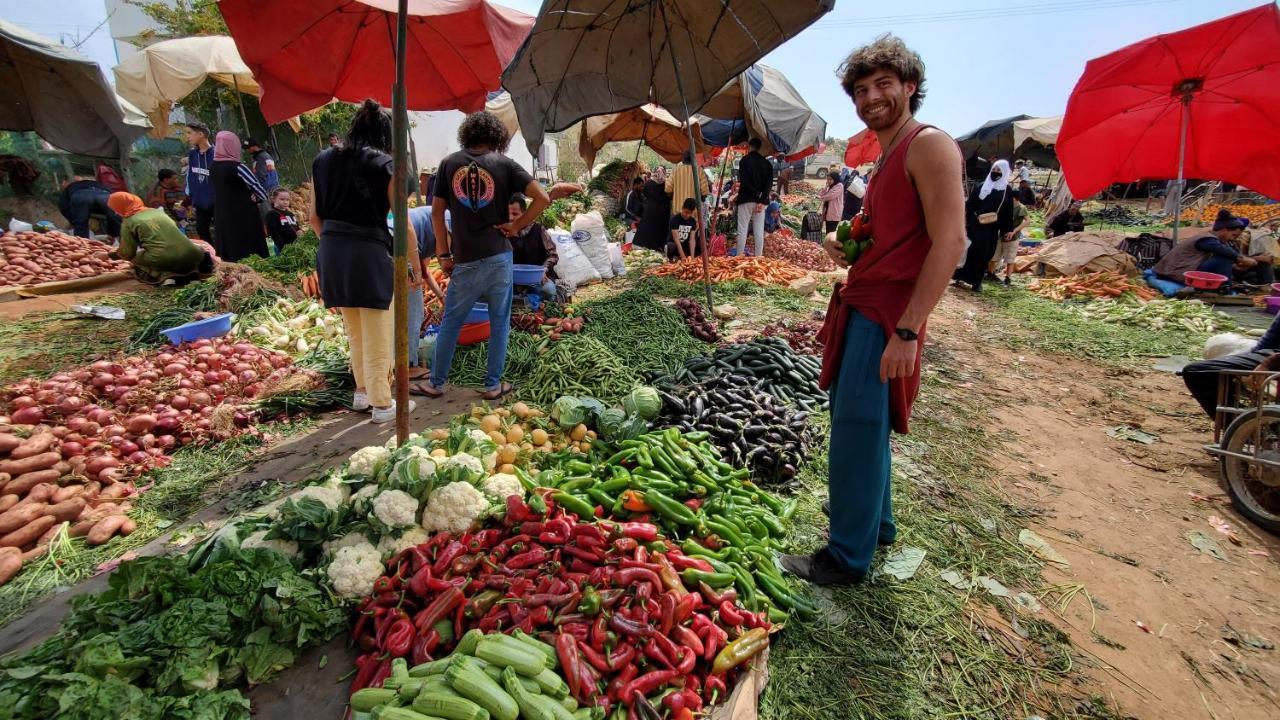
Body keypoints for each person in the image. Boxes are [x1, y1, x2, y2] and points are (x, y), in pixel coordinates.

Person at [782, 33, 965, 585]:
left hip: (888, 313)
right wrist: (845, 243)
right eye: (861, 90)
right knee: (866, 422)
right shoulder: (890, 155)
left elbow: (951, 243)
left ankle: (844, 557)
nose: (871, 98)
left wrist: (907, 331)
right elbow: (891, 233)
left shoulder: (928, 145)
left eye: (884, 84)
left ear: (910, 87)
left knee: (857, 427)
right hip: (869, 302)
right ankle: (876, 526)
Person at [417, 110, 550, 401]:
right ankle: (493, 385)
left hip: (465, 258)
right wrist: (516, 226)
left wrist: (443, 253)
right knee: (500, 320)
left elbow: (437, 213)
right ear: (496, 138)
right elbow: (543, 198)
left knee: (452, 318)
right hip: (499, 256)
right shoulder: (505, 165)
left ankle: (436, 383)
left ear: (467, 134)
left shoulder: (449, 164)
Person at [311, 99, 418, 423]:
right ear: (388, 136)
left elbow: (314, 217)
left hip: (331, 251)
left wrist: (335, 247)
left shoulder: (322, 160)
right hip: (368, 254)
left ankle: (362, 393)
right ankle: (384, 404)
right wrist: (412, 262)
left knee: (354, 327)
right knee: (378, 330)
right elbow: (403, 223)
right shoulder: (384, 165)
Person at [1182, 313, 1280, 419]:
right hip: (1273, 354)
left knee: (1195, 372)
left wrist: (1268, 363)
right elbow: (1270, 339)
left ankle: (1242, 425)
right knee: (1197, 371)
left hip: (1275, 357)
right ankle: (1243, 425)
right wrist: (1244, 360)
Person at [106, 192, 213, 285]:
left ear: (121, 206)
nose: (116, 212)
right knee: (171, 252)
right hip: (195, 254)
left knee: (136, 258)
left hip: (165, 258)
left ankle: (165, 275)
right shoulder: (157, 212)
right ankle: (191, 272)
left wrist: (109, 255)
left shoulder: (129, 221)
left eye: (115, 209)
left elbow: (127, 253)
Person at [1153, 209, 1271, 289]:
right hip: (1177, 272)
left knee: (1262, 260)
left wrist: (1250, 260)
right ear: (1224, 229)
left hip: (1193, 269)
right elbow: (1226, 252)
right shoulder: (1207, 239)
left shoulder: (1219, 240)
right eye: (1233, 235)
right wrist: (1242, 259)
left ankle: (1266, 287)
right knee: (1224, 258)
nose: (1233, 238)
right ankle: (1225, 288)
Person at [954, 160, 1013, 291]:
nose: (995, 172)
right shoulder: (982, 185)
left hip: (991, 228)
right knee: (968, 251)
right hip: (975, 226)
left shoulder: (1006, 190)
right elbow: (970, 204)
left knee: (984, 255)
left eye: (999, 171)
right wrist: (969, 219)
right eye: (994, 169)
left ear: (1004, 172)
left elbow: (1008, 211)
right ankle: (960, 277)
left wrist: (1007, 229)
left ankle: (977, 282)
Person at [209, 131, 269, 262]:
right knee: (250, 255)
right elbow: (260, 190)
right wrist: (258, 197)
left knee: (230, 251)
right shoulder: (238, 167)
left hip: (222, 216)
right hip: (244, 217)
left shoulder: (213, 168)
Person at [404, 203, 448, 380]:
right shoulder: (447, 223)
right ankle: (409, 366)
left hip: (387, 245)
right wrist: (414, 271)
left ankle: (393, 362)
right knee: (413, 312)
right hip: (398, 247)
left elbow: (425, 270)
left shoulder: (432, 221)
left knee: (397, 312)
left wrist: (441, 296)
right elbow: (444, 257)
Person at [508, 193, 560, 301]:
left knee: (548, 291)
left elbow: (553, 255)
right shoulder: (504, 232)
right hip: (511, 279)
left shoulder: (537, 229)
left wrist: (543, 270)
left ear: (525, 214)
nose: (510, 218)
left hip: (537, 278)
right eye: (507, 214)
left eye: (515, 214)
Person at [735, 137, 774, 256]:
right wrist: (761, 199)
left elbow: (744, 182)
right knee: (759, 230)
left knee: (742, 229)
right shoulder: (767, 163)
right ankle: (758, 257)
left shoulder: (744, 161)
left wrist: (756, 194)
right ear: (759, 148)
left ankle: (739, 256)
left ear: (749, 147)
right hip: (761, 203)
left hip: (746, 199)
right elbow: (769, 184)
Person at [184, 123, 216, 243]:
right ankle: (211, 255)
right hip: (200, 201)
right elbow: (191, 176)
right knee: (201, 228)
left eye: (189, 133)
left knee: (220, 229)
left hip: (215, 200)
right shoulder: (193, 154)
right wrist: (191, 195)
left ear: (201, 134)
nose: (187, 137)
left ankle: (225, 255)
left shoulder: (215, 153)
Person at [991, 192, 1030, 285]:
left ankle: (1007, 278)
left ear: (1015, 198)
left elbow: (1028, 221)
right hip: (1001, 235)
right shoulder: (1005, 205)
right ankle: (990, 274)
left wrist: (1014, 231)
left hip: (1013, 237)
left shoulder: (1021, 208)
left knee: (1010, 258)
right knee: (994, 256)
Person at [634, 166, 671, 251]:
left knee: (648, 228)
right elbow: (670, 195)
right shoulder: (667, 184)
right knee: (660, 230)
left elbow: (645, 193)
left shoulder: (649, 183)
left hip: (651, 210)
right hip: (663, 211)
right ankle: (658, 247)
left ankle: (645, 247)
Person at [264, 188, 299, 255]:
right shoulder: (271, 214)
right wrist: (283, 247)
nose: (285, 202)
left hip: (294, 246)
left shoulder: (290, 214)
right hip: (282, 247)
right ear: (273, 199)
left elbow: (296, 226)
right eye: (282, 199)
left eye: (287, 200)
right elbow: (273, 232)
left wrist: (299, 231)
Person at [665, 152, 699, 220]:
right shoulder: (698, 173)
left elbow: (668, 189)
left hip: (677, 210)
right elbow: (703, 194)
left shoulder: (675, 171)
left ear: (683, 160)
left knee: (674, 228)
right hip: (691, 212)